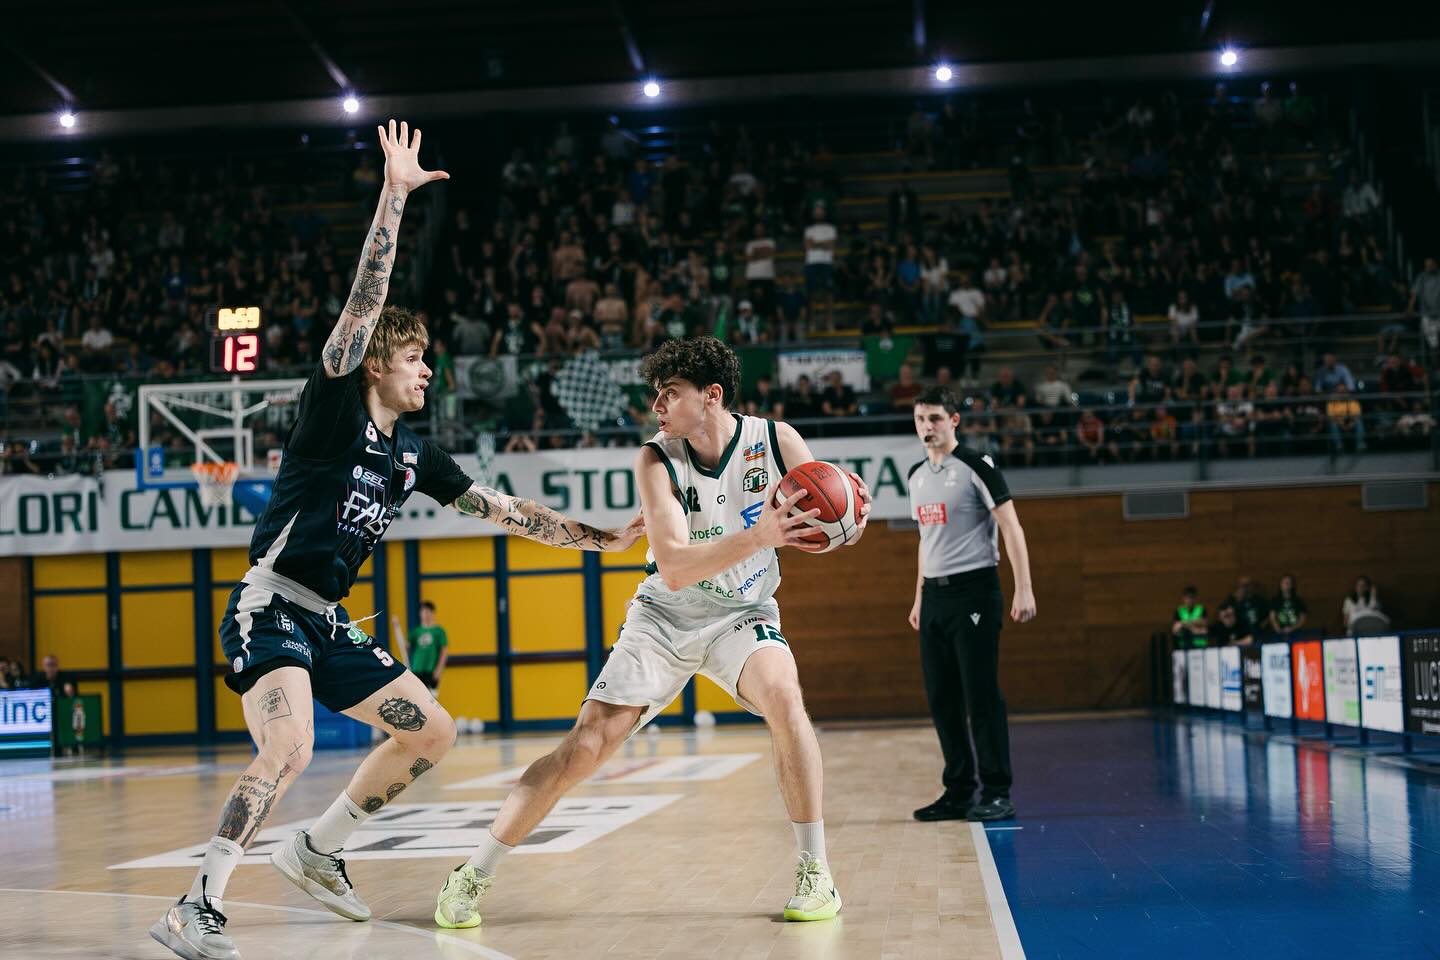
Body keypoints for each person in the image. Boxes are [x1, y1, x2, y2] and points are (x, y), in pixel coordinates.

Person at [150, 121, 646, 960]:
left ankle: (317, 849)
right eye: (415, 358)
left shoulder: (416, 455)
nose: (427, 371)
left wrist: (605, 539)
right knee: (291, 744)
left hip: (329, 622)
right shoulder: (333, 410)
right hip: (269, 608)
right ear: (377, 364)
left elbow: (508, 513)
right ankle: (195, 906)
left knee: (434, 730)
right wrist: (394, 196)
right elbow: (362, 306)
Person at [431, 336, 873, 929]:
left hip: (742, 614)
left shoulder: (777, 441)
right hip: (664, 616)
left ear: (711, 396)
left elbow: (819, 517)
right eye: (656, 395)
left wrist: (844, 524)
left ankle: (815, 873)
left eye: (670, 394)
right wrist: (758, 538)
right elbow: (673, 564)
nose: (657, 405)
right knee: (584, 748)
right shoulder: (656, 458)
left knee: (787, 701)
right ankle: (472, 873)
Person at [906, 386, 1036, 823]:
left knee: (980, 697)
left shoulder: (977, 466)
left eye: (936, 418)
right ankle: (958, 791)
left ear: (954, 421)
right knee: (942, 700)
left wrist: (1024, 588)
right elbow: (925, 543)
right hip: (936, 598)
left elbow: (1012, 527)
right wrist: (919, 597)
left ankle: (997, 790)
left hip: (976, 592)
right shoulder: (916, 476)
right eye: (922, 419)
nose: (928, 427)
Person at [406, 601, 448, 691]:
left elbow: (444, 652)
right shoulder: (416, 631)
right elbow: (407, 647)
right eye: (423, 611)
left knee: (431, 698)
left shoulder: (439, 631)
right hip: (416, 669)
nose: (425, 614)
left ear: (432, 613)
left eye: (428, 611)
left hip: (431, 670)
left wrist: (438, 671)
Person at [1267, 574, 1307, 639]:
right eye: (1284, 583)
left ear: (1292, 585)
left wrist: (1292, 628)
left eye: (1288, 583)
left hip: (1295, 632)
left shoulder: (1298, 600)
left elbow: (1302, 618)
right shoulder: (1275, 600)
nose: (1286, 585)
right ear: (1280, 585)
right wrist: (1278, 629)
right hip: (1279, 632)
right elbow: (1272, 617)